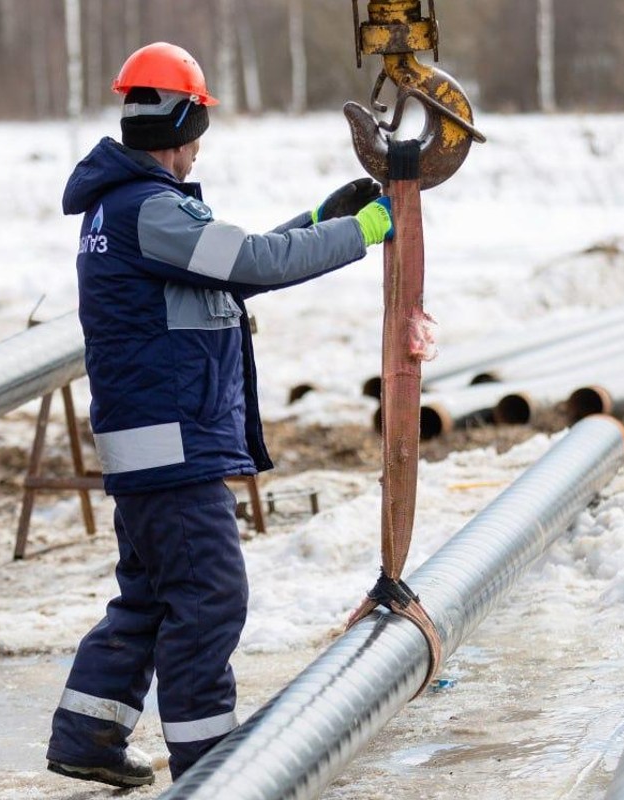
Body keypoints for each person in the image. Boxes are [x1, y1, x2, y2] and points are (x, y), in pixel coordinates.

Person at [45, 42, 393, 788]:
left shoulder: (129, 209)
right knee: (210, 596)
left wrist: (318, 219)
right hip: (173, 450)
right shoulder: (149, 209)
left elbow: (229, 269)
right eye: (199, 127)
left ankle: (87, 733)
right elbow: (252, 264)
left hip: (149, 449)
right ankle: (209, 765)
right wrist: (362, 233)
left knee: (148, 597)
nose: (201, 144)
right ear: (183, 121)